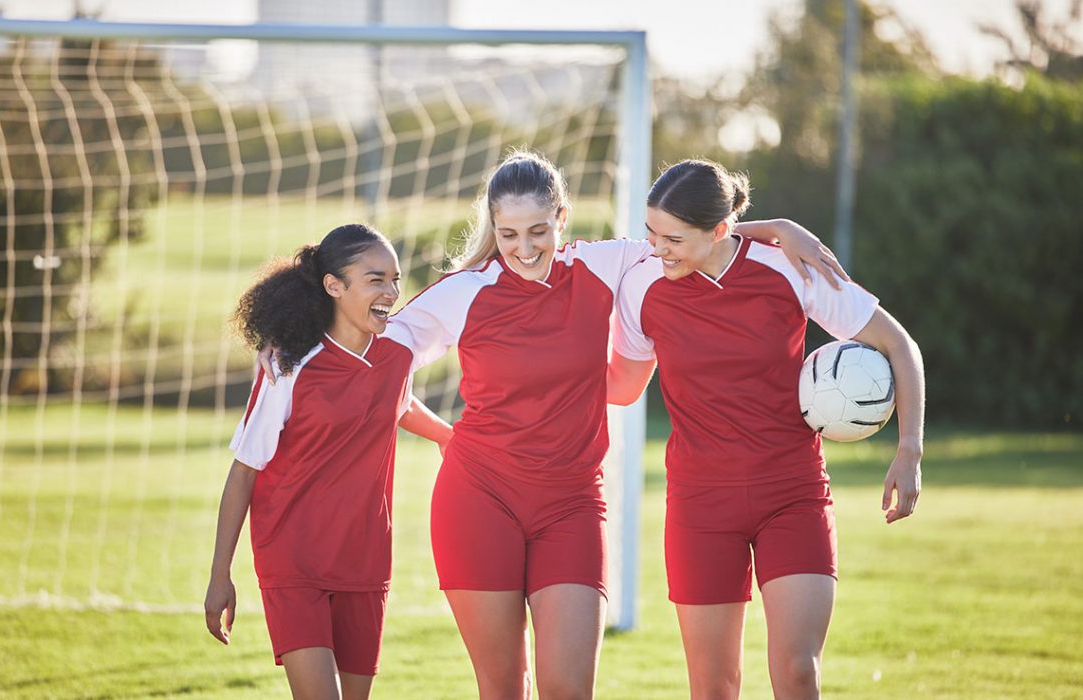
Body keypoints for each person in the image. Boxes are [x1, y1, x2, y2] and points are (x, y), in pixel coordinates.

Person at [259, 151, 843, 699]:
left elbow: (688, 237)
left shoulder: (603, 264)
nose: (524, 247)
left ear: (561, 217)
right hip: (478, 501)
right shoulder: (464, 293)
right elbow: (371, 345)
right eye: (508, 234)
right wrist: (290, 339)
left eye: (539, 230)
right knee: (504, 689)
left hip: (571, 505)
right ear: (493, 226)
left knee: (568, 690)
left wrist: (767, 228)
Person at [607, 159, 925, 699]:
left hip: (792, 495)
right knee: (714, 686)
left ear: (720, 232)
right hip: (700, 504)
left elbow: (899, 345)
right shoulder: (640, 285)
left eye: (674, 239)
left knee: (798, 671)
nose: (657, 249)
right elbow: (623, 386)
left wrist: (910, 450)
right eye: (651, 233)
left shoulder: (790, 269)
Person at [204, 224, 453, 700]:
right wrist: (220, 575)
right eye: (375, 279)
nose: (392, 292)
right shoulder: (288, 366)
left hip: (365, 558)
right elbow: (244, 472)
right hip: (293, 558)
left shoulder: (398, 352)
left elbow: (395, 403)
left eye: (395, 279)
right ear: (334, 286)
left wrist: (449, 436)